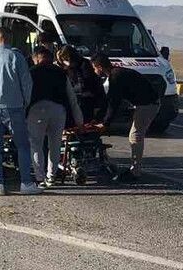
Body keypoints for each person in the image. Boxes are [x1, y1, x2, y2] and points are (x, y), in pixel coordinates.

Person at [0, 26, 42, 196]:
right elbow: (27, 83)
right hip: (14, 106)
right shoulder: (17, 57)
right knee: (22, 145)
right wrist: (25, 102)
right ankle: (26, 182)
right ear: (9, 38)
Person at [91, 53, 160, 182]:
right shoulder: (116, 73)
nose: (95, 71)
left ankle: (135, 172)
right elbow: (110, 101)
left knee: (135, 136)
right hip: (144, 104)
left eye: (94, 68)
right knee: (135, 135)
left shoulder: (115, 76)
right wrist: (100, 118)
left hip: (147, 105)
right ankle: (135, 169)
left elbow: (113, 103)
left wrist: (105, 123)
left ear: (99, 67)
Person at [28, 45, 83, 186]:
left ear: (36, 58)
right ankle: (51, 176)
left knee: (36, 145)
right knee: (55, 144)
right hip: (58, 111)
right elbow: (72, 98)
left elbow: (25, 95)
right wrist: (79, 121)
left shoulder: (31, 72)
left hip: (36, 110)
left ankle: (40, 178)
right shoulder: (60, 72)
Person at [57, 46, 104, 120]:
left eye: (65, 60)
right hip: (77, 98)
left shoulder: (84, 64)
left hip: (86, 99)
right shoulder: (70, 68)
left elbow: (86, 82)